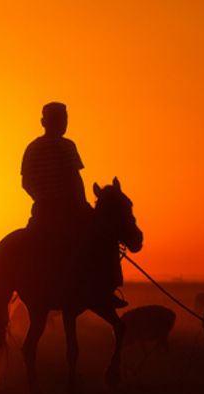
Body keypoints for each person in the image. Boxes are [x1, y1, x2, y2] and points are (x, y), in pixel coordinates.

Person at [21, 102, 127, 308]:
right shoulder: (66, 146)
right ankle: (105, 290)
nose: (64, 123)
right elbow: (74, 179)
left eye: (65, 119)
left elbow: (26, 182)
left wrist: (42, 198)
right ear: (46, 121)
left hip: (41, 211)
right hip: (67, 210)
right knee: (102, 240)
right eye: (62, 119)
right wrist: (82, 206)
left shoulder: (32, 148)